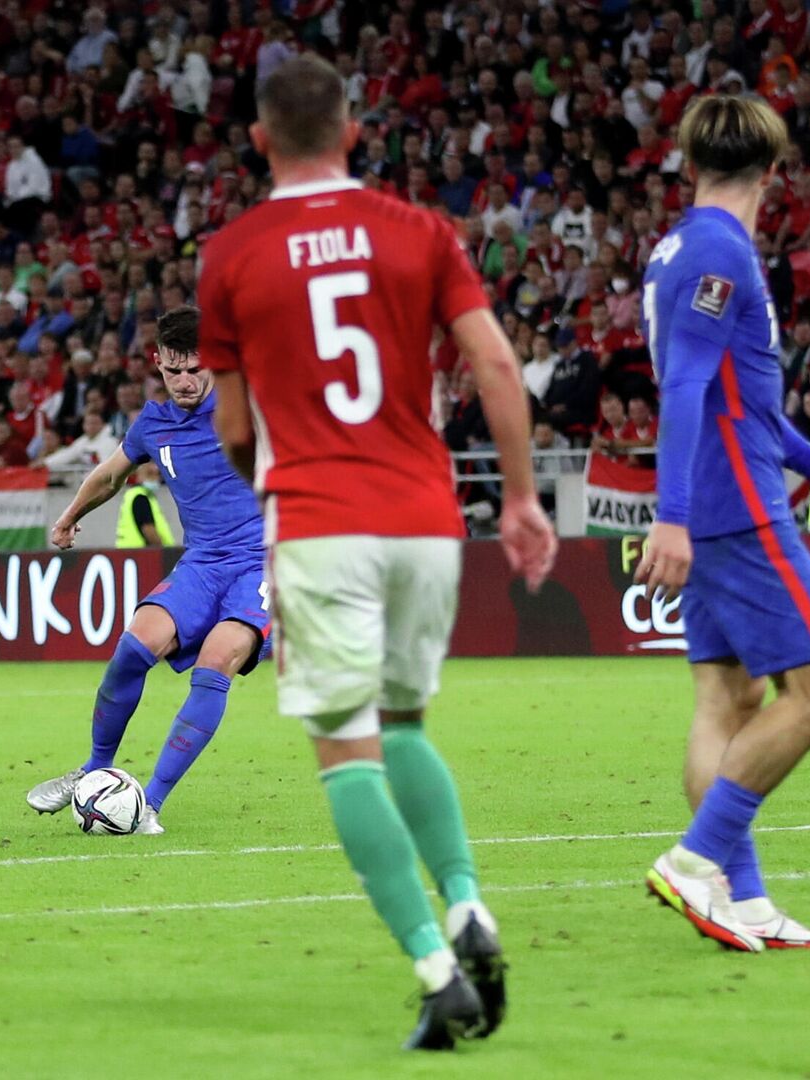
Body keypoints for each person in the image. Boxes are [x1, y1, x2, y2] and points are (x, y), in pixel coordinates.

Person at [196, 56, 557, 1051]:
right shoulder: (421, 232)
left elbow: (231, 427)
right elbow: (493, 362)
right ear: (353, 132)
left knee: (345, 754)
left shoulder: (231, 253)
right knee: (405, 724)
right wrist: (520, 498)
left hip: (320, 523)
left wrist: (271, 467)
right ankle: (470, 901)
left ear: (261, 141)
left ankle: (438, 969)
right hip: (425, 520)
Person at [635, 94, 810, 957]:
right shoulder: (722, 251)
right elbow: (687, 386)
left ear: (691, 163)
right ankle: (698, 862)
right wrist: (675, 518)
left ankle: (747, 901)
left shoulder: (678, 247)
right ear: (775, 173)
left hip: (731, 491)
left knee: (729, 700)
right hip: (733, 507)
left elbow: (737, 386)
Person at [24, 307, 270, 839]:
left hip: (262, 562)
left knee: (216, 660)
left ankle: (146, 806)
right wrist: (69, 517)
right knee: (133, 648)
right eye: (174, 369)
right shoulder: (153, 423)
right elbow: (112, 475)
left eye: (197, 369)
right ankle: (93, 770)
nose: (185, 381)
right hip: (202, 562)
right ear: (157, 363)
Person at [116, 461, 174, 547]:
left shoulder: (138, 496)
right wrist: (165, 554)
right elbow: (149, 531)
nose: (155, 469)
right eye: (150, 474)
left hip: (131, 555)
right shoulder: (140, 497)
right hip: (140, 555)